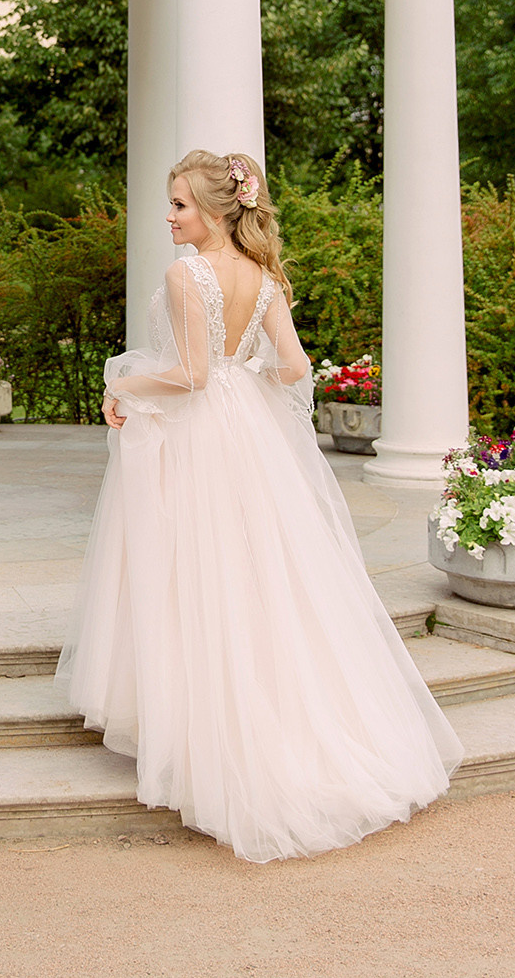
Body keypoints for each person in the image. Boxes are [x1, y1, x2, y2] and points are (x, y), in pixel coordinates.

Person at [57, 149, 464, 861]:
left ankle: (210, 736)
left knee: (197, 573)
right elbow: (297, 367)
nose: (169, 215)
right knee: (263, 576)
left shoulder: (188, 274)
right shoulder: (265, 277)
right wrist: (246, 380)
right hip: (247, 429)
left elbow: (184, 374)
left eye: (180, 204)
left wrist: (121, 389)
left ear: (215, 212)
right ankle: (275, 717)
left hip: (198, 435)